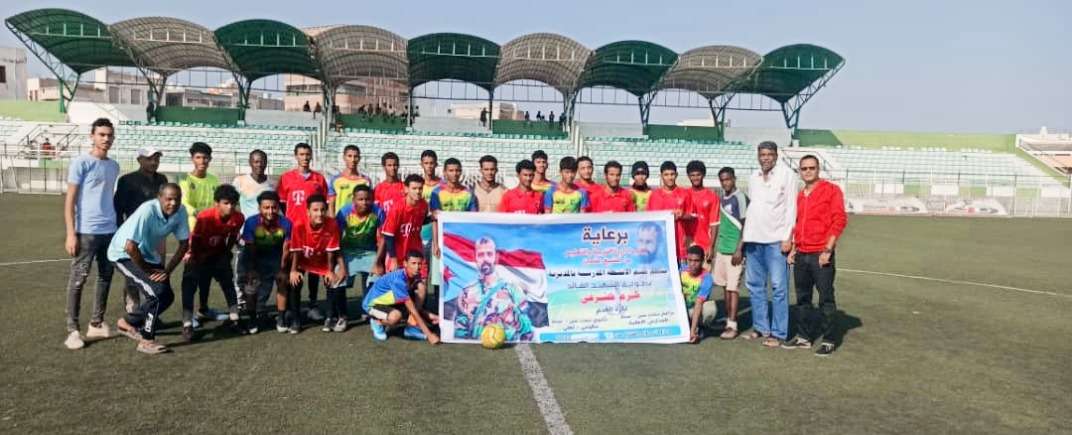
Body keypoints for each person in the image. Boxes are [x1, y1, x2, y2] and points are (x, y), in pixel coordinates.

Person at [110, 183, 190, 354]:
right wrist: (149, 271)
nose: (173, 203)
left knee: (166, 296)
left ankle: (127, 322)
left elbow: (184, 244)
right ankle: (146, 341)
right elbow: (130, 247)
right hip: (122, 254)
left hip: (147, 254)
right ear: (159, 198)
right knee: (156, 294)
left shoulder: (181, 211)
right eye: (169, 199)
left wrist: (167, 271)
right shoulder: (147, 210)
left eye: (177, 199)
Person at [63, 118, 121, 350]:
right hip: (86, 230)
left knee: (106, 276)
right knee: (79, 279)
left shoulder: (114, 166)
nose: (106, 139)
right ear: (92, 136)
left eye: (109, 135)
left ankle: (96, 323)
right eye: (102, 134)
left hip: (110, 230)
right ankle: (73, 330)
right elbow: (70, 201)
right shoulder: (81, 162)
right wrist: (71, 233)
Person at [785, 156, 846, 356]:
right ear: (800, 171)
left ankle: (829, 340)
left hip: (821, 253)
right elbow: (797, 223)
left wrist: (828, 249)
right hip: (802, 254)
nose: (808, 171)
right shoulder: (800, 196)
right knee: (803, 298)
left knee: (825, 298)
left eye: (812, 167)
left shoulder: (831, 190)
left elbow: (839, 220)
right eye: (804, 168)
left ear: (818, 169)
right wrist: (794, 248)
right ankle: (804, 337)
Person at [742, 141, 797, 348]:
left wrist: (788, 237)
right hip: (753, 239)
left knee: (779, 288)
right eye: (762, 154)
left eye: (769, 154)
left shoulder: (787, 175)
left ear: (776, 155)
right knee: (755, 286)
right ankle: (761, 327)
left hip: (776, 240)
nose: (765, 158)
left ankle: (779, 333)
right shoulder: (753, 176)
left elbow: (791, 207)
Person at [180, 184, 244, 342]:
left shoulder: (238, 217)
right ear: (217, 203)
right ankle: (187, 323)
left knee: (228, 282)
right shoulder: (205, 217)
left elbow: (233, 236)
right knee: (189, 284)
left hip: (218, 253)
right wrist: (195, 257)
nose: (230, 207)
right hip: (198, 252)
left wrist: (227, 252)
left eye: (233, 203)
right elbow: (195, 240)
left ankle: (235, 318)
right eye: (226, 203)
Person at [277, 143, 329, 322]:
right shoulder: (286, 178)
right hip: (295, 231)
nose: (305, 157)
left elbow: (323, 204)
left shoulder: (319, 178)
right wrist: (291, 222)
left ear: (311, 156)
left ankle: (313, 305)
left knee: (315, 270)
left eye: (307, 154)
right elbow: (282, 203)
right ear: (296, 156)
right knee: (294, 268)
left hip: (315, 231)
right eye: (301, 154)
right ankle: (293, 308)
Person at [449, 236, 538, 339]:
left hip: (506, 346)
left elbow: (529, 328)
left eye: (489, 254)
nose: (485, 259)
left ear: (496, 257)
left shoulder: (512, 289)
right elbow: (459, 329)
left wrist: (515, 320)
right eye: (481, 255)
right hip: (476, 346)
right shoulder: (467, 292)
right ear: (475, 257)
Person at [287, 194, 347, 333]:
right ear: (308, 211)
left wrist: (330, 271)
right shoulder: (299, 224)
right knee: (294, 282)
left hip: (323, 261)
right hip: (304, 260)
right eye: (315, 210)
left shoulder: (332, 224)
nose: (319, 213)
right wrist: (293, 270)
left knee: (331, 281)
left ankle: (330, 317)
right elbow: (296, 250)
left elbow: (332, 250)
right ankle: (295, 319)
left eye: (322, 210)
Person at [236, 191, 292, 335]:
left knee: (282, 281)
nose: (270, 211)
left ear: (278, 207)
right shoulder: (251, 222)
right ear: (259, 208)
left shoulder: (286, 223)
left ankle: (281, 318)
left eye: (274, 207)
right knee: (251, 289)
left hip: (276, 257)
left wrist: (282, 269)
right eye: (266, 208)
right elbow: (250, 248)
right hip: (255, 258)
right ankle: (252, 319)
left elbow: (286, 249)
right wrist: (251, 270)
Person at [179, 142, 222, 322]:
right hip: (192, 234)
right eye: (198, 157)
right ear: (192, 159)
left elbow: (217, 204)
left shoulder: (213, 180)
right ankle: (187, 316)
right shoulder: (185, 180)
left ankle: (203, 309)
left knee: (206, 274)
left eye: (205, 157)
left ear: (210, 159)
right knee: (191, 276)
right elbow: (184, 204)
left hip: (210, 234)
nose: (202, 161)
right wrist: (200, 214)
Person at [362, 251, 440, 344]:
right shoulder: (398, 281)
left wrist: (432, 316)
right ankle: (377, 322)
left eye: (419, 264)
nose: (417, 267)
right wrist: (429, 335)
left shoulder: (414, 275)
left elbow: (413, 306)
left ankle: (411, 327)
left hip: (391, 302)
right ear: (405, 264)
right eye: (413, 263)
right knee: (396, 316)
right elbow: (412, 309)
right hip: (372, 305)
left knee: (421, 287)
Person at [430, 158, 478, 297]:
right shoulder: (437, 193)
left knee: (459, 277)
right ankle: (438, 307)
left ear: (461, 172)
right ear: (445, 172)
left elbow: (473, 220)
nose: (454, 173)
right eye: (451, 170)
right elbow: (434, 220)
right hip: (442, 242)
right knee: (439, 277)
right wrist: (436, 243)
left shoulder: (468, 194)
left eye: (457, 170)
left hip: (460, 243)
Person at [336, 185, 384, 317]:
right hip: (348, 252)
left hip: (370, 252)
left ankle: (368, 310)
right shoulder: (344, 212)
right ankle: (342, 316)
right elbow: (336, 240)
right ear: (354, 200)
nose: (364, 202)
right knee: (336, 280)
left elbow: (382, 239)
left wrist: (378, 262)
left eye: (367, 199)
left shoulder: (378, 212)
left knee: (377, 278)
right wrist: (341, 266)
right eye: (360, 199)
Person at [711, 167, 748, 340]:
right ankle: (728, 320)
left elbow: (747, 225)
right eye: (722, 180)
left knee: (733, 289)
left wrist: (739, 249)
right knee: (725, 286)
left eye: (728, 179)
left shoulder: (740, 197)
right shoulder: (722, 198)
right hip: (722, 249)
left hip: (734, 251)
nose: (725, 182)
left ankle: (733, 325)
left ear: (734, 178)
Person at [381, 174, 430, 276]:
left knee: (421, 284)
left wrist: (433, 217)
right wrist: (393, 259)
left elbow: (421, 221)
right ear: (406, 189)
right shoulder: (397, 208)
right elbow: (388, 235)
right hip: (398, 255)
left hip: (416, 252)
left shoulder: (423, 205)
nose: (418, 191)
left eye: (420, 188)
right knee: (397, 284)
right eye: (414, 188)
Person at [647, 161, 692, 260]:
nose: (670, 177)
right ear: (661, 176)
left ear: (676, 175)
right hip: (660, 245)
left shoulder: (685, 194)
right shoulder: (654, 195)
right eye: (666, 175)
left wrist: (682, 215)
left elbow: (691, 216)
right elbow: (650, 220)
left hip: (680, 245)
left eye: (672, 174)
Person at [116, 147, 167, 225]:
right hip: (135, 225)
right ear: (139, 160)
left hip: (157, 226)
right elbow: (118, 209)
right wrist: (122, 228)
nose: (153, 162)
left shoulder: (162, 179)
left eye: (157, 159)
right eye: (149, 159)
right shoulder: (127, 180)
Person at [685, 160, 720, 257]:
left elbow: (714, 224)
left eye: (698, 175)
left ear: (703, 175)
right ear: (688, 176)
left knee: (705, 267)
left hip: (704, 246)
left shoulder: (712, 197)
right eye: (692, 175)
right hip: (686, 245)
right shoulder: (684, 194)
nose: (695, 178)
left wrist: (711, 247)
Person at [682, 245, 717, 343]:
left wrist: (692, 331)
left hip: (694, 309)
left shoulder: (707, 278)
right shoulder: (680, 271)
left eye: (696, 261)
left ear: (702, 261)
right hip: (681, 308)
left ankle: (697, 327)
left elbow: (699, 303)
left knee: (710, 309)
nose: (692, 264)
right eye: (690, 260)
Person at [327, 145, 372, 216]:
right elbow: (331, 206)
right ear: (344, 157)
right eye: (349, 156)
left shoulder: (366, 181)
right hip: (341, 220)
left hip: (360, 221)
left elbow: (370, 203)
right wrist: (332, 221)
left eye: (355, 156)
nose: (353, 159)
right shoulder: (335, 180)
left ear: (359, 158)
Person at [232, 149, 274, 219]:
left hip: (267, 225)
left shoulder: (273, 184)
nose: (259, 165)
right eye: (256, 162)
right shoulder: (239, 181)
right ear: (250, 163)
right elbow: (231, 204)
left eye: (262, 162)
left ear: (266, 163)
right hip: (247, 225)